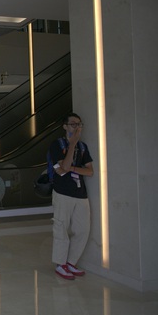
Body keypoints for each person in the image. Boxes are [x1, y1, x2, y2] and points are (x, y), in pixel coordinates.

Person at [50, 113, 94, 280]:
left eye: (79, 124)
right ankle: (60, 264)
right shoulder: (57, 145)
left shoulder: (83, 147)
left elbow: (89, 171)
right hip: (62, 193)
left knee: (83, 229)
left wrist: (72, 169)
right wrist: (72, 144)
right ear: (65, 126)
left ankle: (71, 262)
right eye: (73, 124)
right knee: (61, 228)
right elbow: (62, 168)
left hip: (80, 194)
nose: (77, 127)